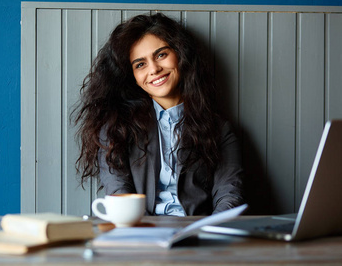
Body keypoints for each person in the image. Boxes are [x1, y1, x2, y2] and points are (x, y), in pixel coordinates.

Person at [73, 13, 243, 216]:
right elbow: (118, 192)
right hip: (137, 234)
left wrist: (209, 234)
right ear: (132, 77)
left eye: (161, 54)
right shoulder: (116, 128)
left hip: (197, 236)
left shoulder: (219, 129)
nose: (154, 69)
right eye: (140, 64)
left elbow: (230, 195)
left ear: (180, 55)